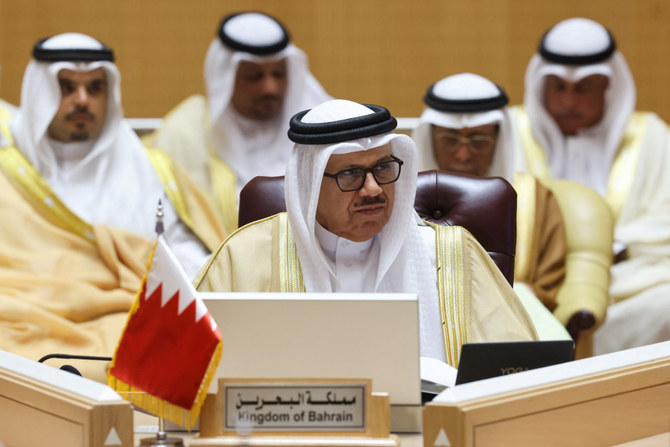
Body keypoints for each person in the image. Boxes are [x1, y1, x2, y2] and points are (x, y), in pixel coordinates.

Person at [196, 99, 537, 367]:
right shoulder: (243, 257)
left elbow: (517, 370)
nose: (373, 189)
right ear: (310, 185)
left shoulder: (451, 253)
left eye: (383, 168)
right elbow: (188, 367)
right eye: (351, 175)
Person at [0, 33, 225, 380]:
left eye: (94, 87)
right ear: (39, 93)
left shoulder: (151, 169)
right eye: (66, 87)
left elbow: (187, 257)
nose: (82, 100)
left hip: (123, 319)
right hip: (23, 320)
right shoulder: (8, 168)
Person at [510, 18, 670, 353]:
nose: (569, 100)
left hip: (626, 283)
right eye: (557, 86)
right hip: (530, 279)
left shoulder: (650, 136)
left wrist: (612, 249)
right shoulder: (510, 131)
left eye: (585, 88)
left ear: (609, 88)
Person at [413, 73, 570, 341]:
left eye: (478, 142)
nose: (463, 155)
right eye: (450, 140)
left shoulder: (535, 199)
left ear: (498, 141)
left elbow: (549, 286)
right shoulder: (401, 198)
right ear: (432, 137)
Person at [145, 11, 331, 233]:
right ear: (225, 77)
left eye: (279, 73)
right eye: (254, 76)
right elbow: (173, 231)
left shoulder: (321, 125)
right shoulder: (184, 135)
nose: (270, 87)